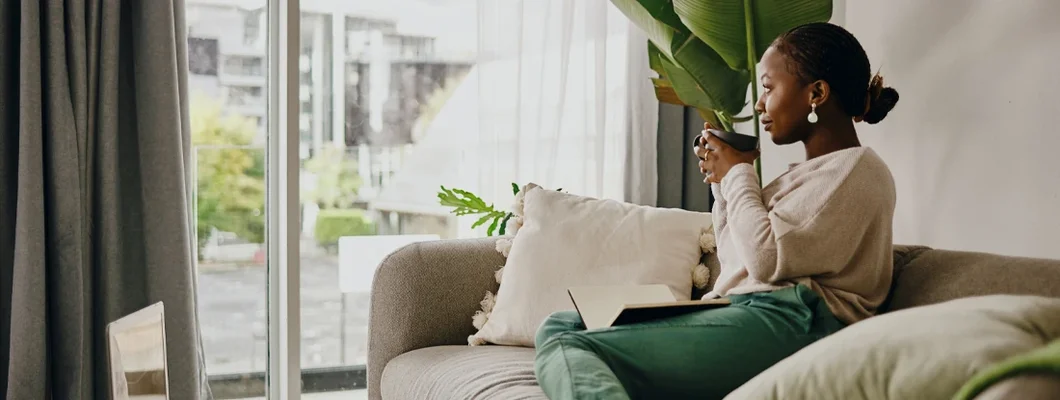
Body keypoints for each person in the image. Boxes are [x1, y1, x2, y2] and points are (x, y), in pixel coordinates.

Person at [533, 22, 900, 400]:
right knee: (563, 324)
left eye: (770, 87)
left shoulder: (855, 171)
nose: (760, 103)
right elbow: (736, 259)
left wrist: (739, 172)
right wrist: (722, 183)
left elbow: (765, 260)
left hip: (797, 324)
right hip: (755, 312)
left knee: (568, 341)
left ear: (817, 93)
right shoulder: (809, 176)